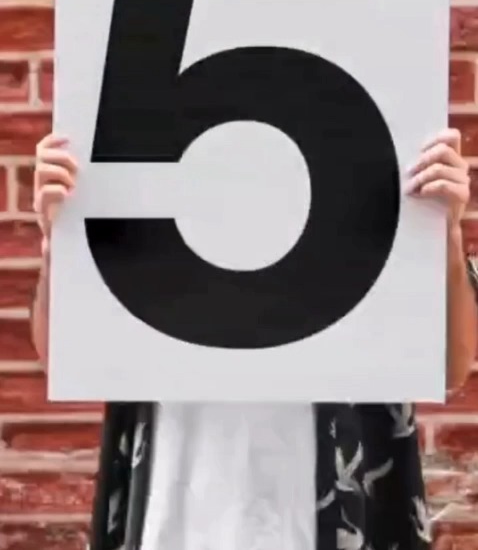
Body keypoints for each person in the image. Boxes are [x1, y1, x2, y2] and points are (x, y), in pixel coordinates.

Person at [32, 128, 478, 550]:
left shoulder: (369, 168)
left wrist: (445, 239)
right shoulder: (149, 158)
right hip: (175, 517)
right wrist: (61, 246)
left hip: (331, 518)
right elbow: (65, 356)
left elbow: (450, 366)